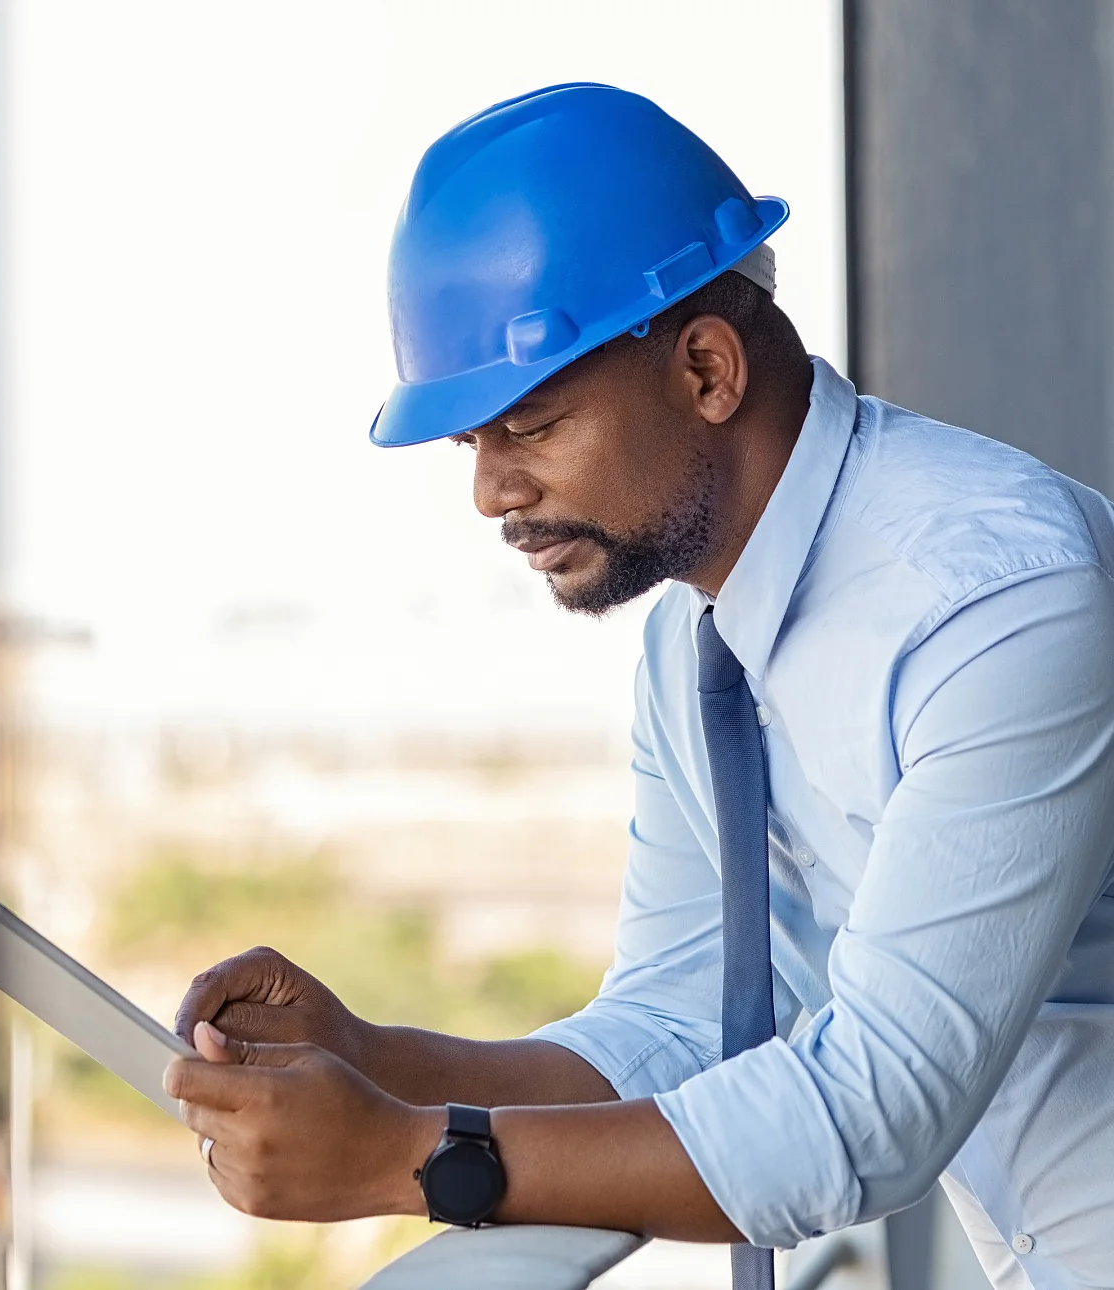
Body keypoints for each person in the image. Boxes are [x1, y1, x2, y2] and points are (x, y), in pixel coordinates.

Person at [162, 84, 1114, 1290]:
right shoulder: (696, 650)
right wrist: (381, 1064)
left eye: (531, 426)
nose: (489, 495)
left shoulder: (990, 598)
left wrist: (412, 1161)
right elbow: (677, 1029)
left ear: (706, 369)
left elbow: (876, 1108)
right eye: (472, 447)